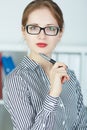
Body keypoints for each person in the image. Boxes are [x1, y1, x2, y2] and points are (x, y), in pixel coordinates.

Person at [3, 0, 87, 130]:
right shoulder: (16, 80)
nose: (41, 35)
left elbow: (82, 125)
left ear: (60, 33)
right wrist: (53, 93)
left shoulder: (70, 76)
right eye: (34, 28)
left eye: (50, 28)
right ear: (23, 31)